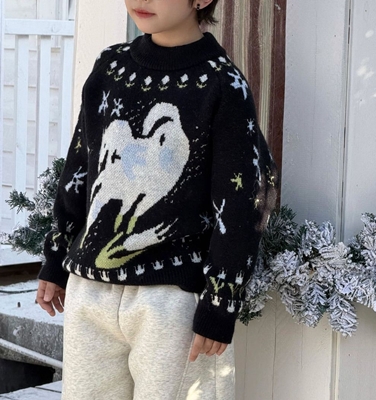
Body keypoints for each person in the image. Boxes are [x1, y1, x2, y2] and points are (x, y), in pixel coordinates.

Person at [36, 0, 278, 398]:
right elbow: (81, 164)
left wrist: (222, 300)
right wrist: (57, 257)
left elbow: (243, 199)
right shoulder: (109, 68)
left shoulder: (221, 84)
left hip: (172, 302)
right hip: (90, 291)